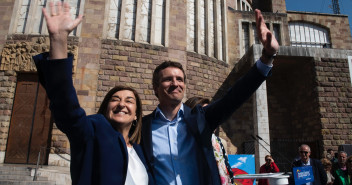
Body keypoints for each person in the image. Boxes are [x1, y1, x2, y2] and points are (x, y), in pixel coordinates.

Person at [141, 9, 279, 185]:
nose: (175, 83)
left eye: (180, 79)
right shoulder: (143, 128)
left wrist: (268, 57)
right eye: (168, 79)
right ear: (155, 88)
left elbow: (235, 96)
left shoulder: (200, 119)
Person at [33, 2, 154, 185]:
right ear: (106, 108)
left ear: (136, 114)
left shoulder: (139, 151)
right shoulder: (92, 131)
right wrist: (58, 40)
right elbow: (67, 108)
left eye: (129, 101)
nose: (122, 104)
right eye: (115, 99)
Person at [184, 97, 234, 185]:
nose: (211, 119)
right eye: (206, 116)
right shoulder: (183, 143)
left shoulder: (221, 143)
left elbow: (227, 172)